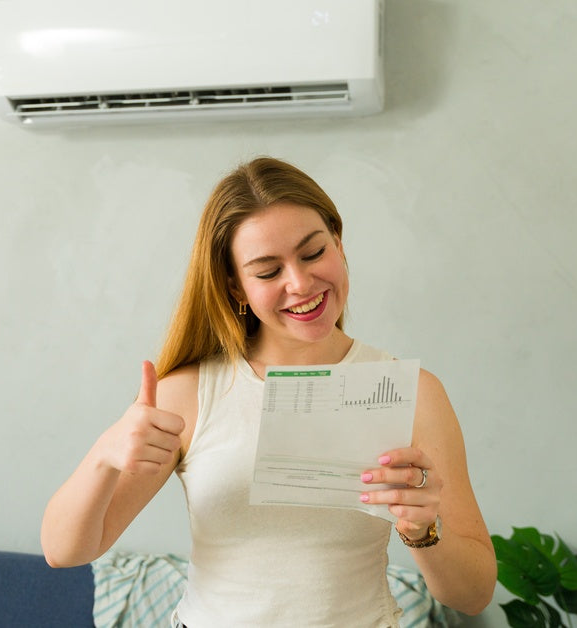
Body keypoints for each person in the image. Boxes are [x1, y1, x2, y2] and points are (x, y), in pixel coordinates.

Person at [41, 157, 495, 626]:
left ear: (338, 243)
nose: (299, 283)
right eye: (267, 271)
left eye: (314, 253)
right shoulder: (188, 394)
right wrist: (104, 454)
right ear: (236, 286)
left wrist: (422, 531)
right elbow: (65, 551)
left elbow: (474, 595)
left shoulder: (412, 392)